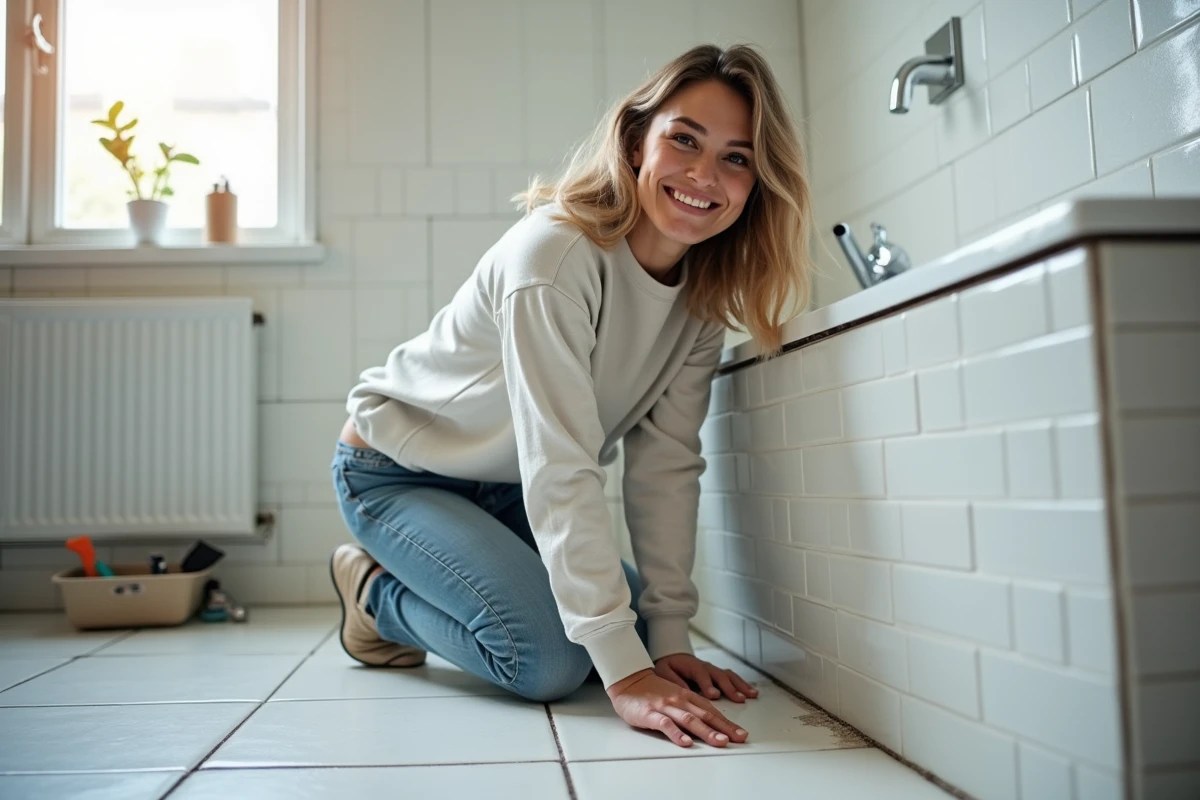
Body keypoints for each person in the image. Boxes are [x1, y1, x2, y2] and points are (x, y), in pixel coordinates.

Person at [329, 42, 813, 750]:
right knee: (551, 660)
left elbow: (666, 468)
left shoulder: (702, 303)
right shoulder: (555, 258)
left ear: (757, 182)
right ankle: (373, 597)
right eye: (685, 139)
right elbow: (561, 464)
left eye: (737, 158)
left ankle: (627, 631)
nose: (704, 175)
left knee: (640, 628)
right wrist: (626, 679)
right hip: (400, 474)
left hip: (507, 488)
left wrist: (668, 638)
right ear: (635, 140)